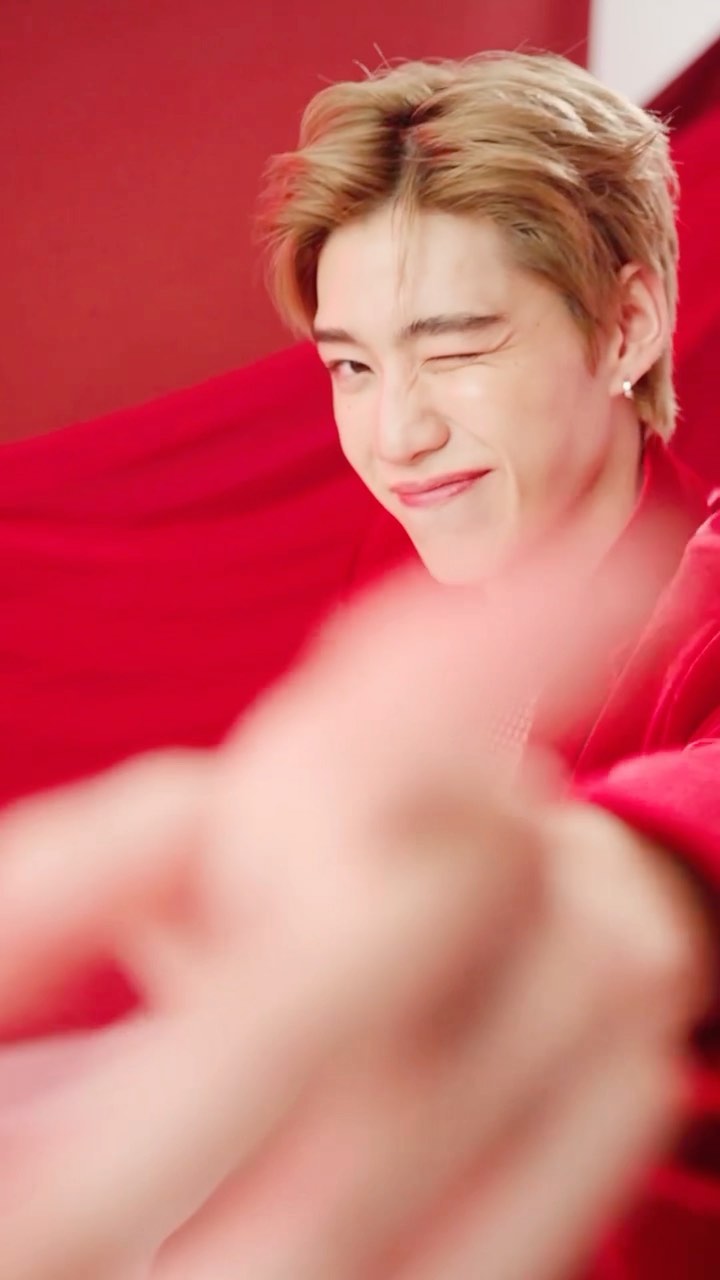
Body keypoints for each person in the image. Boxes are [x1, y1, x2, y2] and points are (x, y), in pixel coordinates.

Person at [1, 50, 720, 1279]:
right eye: (352, 365)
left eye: (458, 348)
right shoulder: (406, 630)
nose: (397, 433)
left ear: (629, 325)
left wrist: (630, 882)